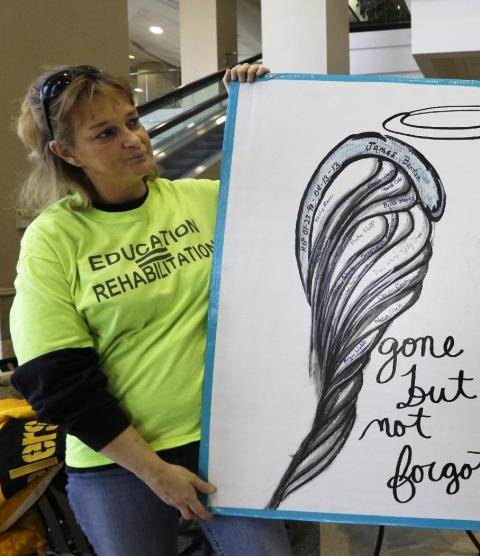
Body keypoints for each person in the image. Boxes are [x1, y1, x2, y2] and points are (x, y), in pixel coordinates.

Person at [9, 62, 290, 556]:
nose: (133, 139)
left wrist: (258, 108)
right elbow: (55, 378)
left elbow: (296, 212)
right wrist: (156, 473)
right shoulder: (54, 239)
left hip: (223, 447)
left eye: (133, 121)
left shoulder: (205, 201)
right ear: (65, 152)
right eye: (106, 133)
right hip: (116, 463)